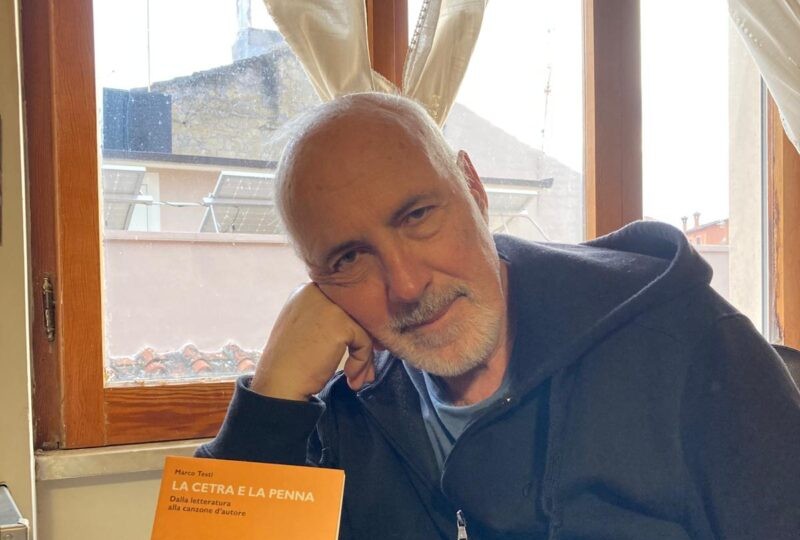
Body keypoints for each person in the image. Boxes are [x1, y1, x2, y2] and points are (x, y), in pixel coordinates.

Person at [197, 93, 800, 539]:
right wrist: (270, 402)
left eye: (417, 216)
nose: (406, 285)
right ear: (317, 282)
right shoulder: (332, 423)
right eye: (349, 258)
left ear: (474, 189)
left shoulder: (687, 343)